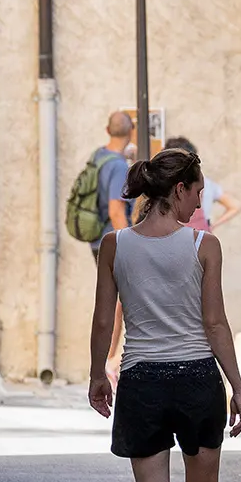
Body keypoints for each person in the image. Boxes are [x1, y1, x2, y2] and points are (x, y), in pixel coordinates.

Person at [87, 147, 241, 482]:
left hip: (142, 381)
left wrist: (98, 372)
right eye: (197, 192)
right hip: (197, 377)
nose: (199, 204)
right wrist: (237, 386)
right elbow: (215, 322)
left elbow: (102, 318)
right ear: (178, 189)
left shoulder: (115, 244)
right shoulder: (204, 244)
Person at [87, 112, 133, 386]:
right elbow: (117, 209)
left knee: (113, 300)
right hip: (112, 240)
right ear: (132, 129)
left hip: (97, 240)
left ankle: (107, 360)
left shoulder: (99, 156)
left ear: (107, 130)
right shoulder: (118, 167)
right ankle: (109, 361)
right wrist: (127, 242)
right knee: (118, 303)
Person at [162, 137, 241, 233]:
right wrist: (212, 226)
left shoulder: (166, 184)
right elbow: (235, 206)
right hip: (201, 238)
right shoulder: (207, 184)